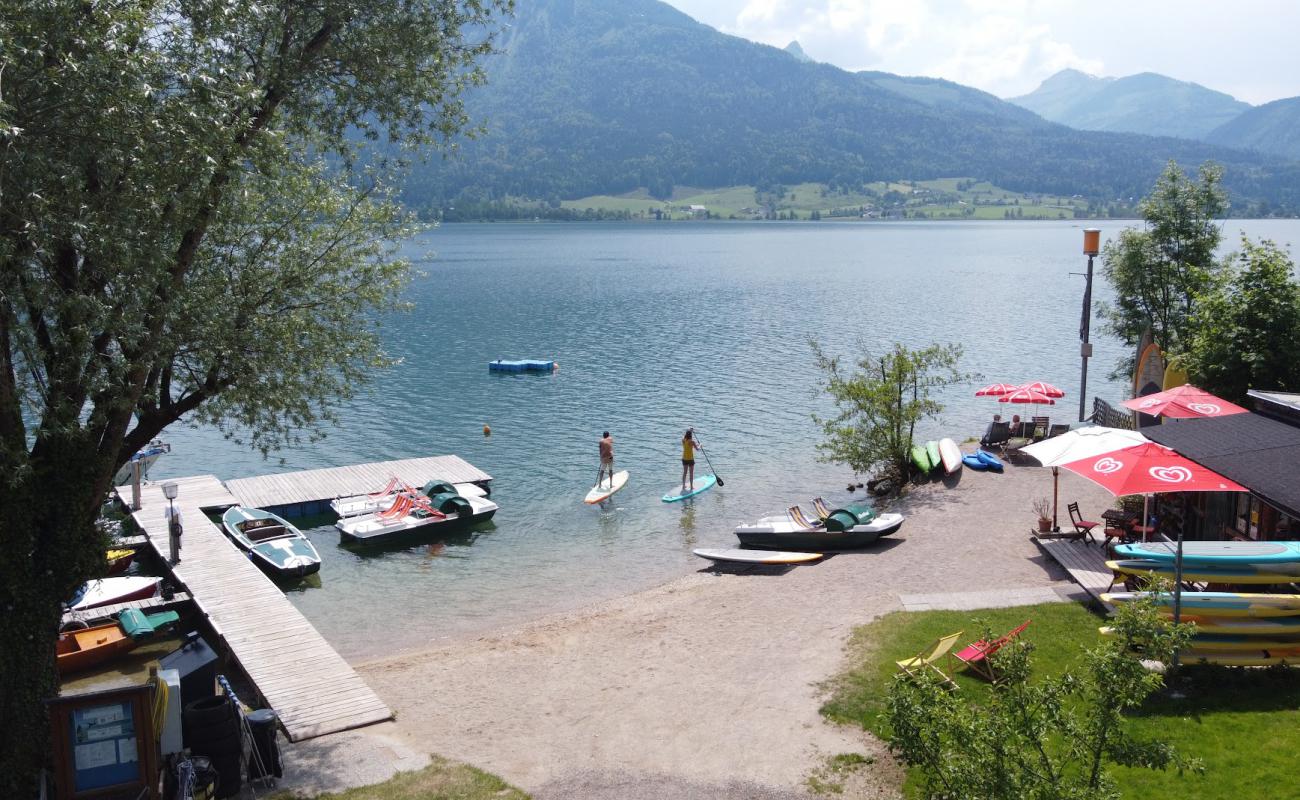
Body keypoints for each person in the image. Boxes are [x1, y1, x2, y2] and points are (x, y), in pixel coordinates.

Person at [680, 427, 698, 492]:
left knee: (684, 472)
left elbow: (684, 436)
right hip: (690, 459)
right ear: (691, 435)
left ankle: (683, 485)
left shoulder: (683, 440)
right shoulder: (692, 442)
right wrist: (700, 445)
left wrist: (690, 431)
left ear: (686, 435)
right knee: (691, 473)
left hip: (684, 458)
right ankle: (691, 486)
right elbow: (697, 449)